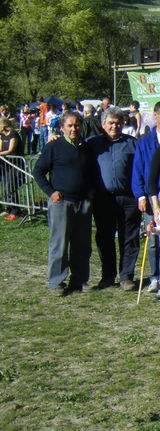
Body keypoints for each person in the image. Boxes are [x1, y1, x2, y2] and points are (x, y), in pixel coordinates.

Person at [33, 112, 95, 296]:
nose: (74, 129)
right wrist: (50, 192)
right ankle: (56, 281)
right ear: (62, 127)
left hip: (82, 203)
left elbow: (91, 171)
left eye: (77, 125)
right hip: (62, 202)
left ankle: (80, 279)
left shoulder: (86, 147)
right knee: (59, 244)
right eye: (70, 125)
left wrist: (90, 190)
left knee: (82, 245)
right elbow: (38, 172)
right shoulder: (54, 146)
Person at [87, 106, 139, 291]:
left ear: (123, 123)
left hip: (129, 198)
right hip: (103, 199)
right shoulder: (93, 144)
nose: (114, 126)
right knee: (105, 237)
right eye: (110, 123)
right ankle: (108, 275)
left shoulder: (132, 143)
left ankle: (126, 276)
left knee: (129, 238)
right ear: (103, 124)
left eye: (118, 122)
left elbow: (140, 170)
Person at [131, 101, 160, 293]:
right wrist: (140, 195)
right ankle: (155, 276)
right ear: (155, 116)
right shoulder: (145, 142)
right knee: (154, 239)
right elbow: (138, 169)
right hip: (151, 197)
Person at [0, 117, 23, 219]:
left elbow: (10, 150)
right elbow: (0, 149)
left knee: (10, 187)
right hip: (6, 165)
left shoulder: (14, 135)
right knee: (5, 188)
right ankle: (9, 209)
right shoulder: (2, 136)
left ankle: (15, 211)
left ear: (3, 126)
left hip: (16, 165)